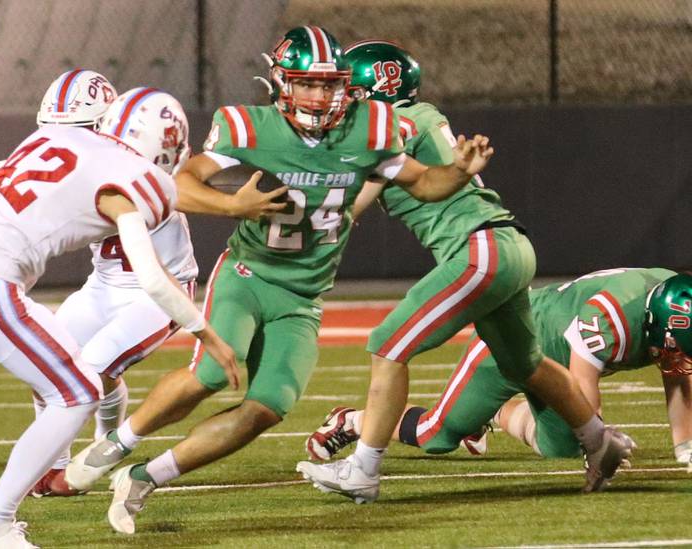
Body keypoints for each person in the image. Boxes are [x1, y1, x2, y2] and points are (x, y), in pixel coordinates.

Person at [63, 25, 492, 535]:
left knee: (268, 408)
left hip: (305, 294)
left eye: (328, 84)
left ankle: (143, 477)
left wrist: (459, 172)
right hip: (249, 274)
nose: (317, 95)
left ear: (344, 86)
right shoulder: (251, 128)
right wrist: (231, 205)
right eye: (305, 83)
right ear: (281, 83)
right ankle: (120, 441)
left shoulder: (371, 127)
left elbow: (424, 183)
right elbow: (178, 184)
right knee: (213, 374)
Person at [0, 79, 237, 548]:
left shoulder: (47, 139)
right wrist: (209, 336)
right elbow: (156, 277)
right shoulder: (125, 174)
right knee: (77, 392)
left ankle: (32, 492)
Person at [295, 41, 633, 503]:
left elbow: (353, 201)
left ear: (371, 89)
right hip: (509, 245)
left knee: (388, 346)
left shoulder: (388, 125)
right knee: (524, 363)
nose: (339, 99)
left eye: (347, 89)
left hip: (477, 250)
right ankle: (598, 440)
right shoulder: (419, 117)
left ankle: (363, 469)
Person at [305, 268, 692, 472]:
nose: (678, 357)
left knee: (560, 449)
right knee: (436, 435)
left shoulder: (673, 306)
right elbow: (579, 387)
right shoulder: (610, 316)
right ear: (651, 323)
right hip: (516, 343)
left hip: (559, 363)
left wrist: (686, 451)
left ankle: (495, 411)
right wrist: (598, 450)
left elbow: (679, 375)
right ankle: (352, 420)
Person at [29, 83, 200, 497]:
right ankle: (57, 462)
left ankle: (101, 448)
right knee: (44, 366)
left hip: (160, 293)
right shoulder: (87, 160)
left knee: (92, 371)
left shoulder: (154, 176)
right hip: (103, 282)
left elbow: (188, 193)